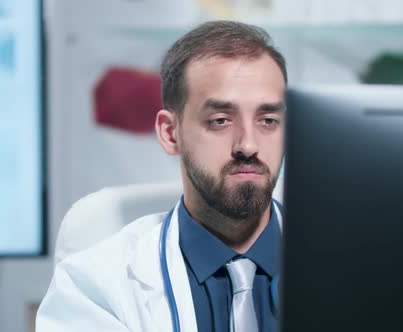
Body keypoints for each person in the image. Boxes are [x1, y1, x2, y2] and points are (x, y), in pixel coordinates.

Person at [36, 20, 287, 332]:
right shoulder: (94, 287)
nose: (248, 145)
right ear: (170, 134)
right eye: (220, 120)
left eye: (268, 120)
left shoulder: (354, 266)